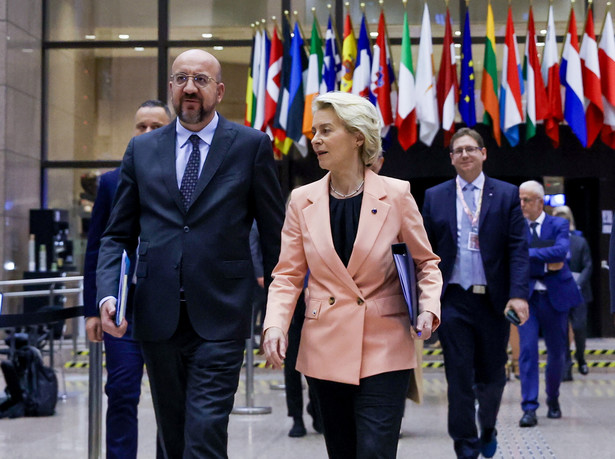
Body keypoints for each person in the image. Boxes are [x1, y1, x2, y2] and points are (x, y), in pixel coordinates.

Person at [96, 49, 285, 458]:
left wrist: (278, 313)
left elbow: (275, 237)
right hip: (156, 316)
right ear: (170, 89)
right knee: (174, 436)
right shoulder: (142, 151)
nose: (190, 88)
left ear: (218, 90)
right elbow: (117, 235)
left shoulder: (250, 146)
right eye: (181, 79)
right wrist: (109, 294)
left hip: (222, 314)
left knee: (204, 434)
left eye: (200, 80)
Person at [262, 91, 442, 459]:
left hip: (385, 343)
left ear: (357, 136)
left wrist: (428, 307)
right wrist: (275, 324)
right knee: (342, 451)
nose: (316, 140)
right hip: (325, 343)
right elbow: (288, 274)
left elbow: (427, 263)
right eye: (315, 131)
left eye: (327, 130)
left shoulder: (396, 194)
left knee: (375, 451)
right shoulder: (302, 200)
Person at [422, 127, 529, 459]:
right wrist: (425, 300)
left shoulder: (507, 194)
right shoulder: (435, 196)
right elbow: (425, 251)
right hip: (453, 299)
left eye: (471, 149)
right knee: (458, 377)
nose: (464, 155)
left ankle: (488, 426)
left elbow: (518, 248)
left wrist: (518, 294)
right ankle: (465, 446)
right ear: (451, 158)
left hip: (493, 301)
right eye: (458, 151)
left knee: (492, 376)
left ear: (484, 154)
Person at [83, 99, 171, 459]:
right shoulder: (111, 182)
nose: (148, 133)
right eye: (141, 127)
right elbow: (96, 249)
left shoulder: (183, 177)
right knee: (120, 393)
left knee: (171, 400)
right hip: (123, 310)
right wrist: (93, 308)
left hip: (169, 309)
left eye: (156, 127)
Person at [518, 181, 583, 428]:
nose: (522, 204)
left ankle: (553, 398)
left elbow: (562, 252)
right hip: (527, 298)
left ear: (540, 201)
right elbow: (514, 254)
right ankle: (529, 408)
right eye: (520, 199)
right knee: (527, 350)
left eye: (527, 200)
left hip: (557, 296)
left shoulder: (558, 223)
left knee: (557, 352)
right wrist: (545, 260)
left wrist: (529, 255)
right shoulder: (516, 226)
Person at [552, 205, 592, 379]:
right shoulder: (550, 241)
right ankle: (566, 367)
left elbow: (588, 265)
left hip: (578, 290)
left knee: (579, 326)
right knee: (561, 330)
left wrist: (578, 284)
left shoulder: (580, 241)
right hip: (559, 290)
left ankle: (581, 357)